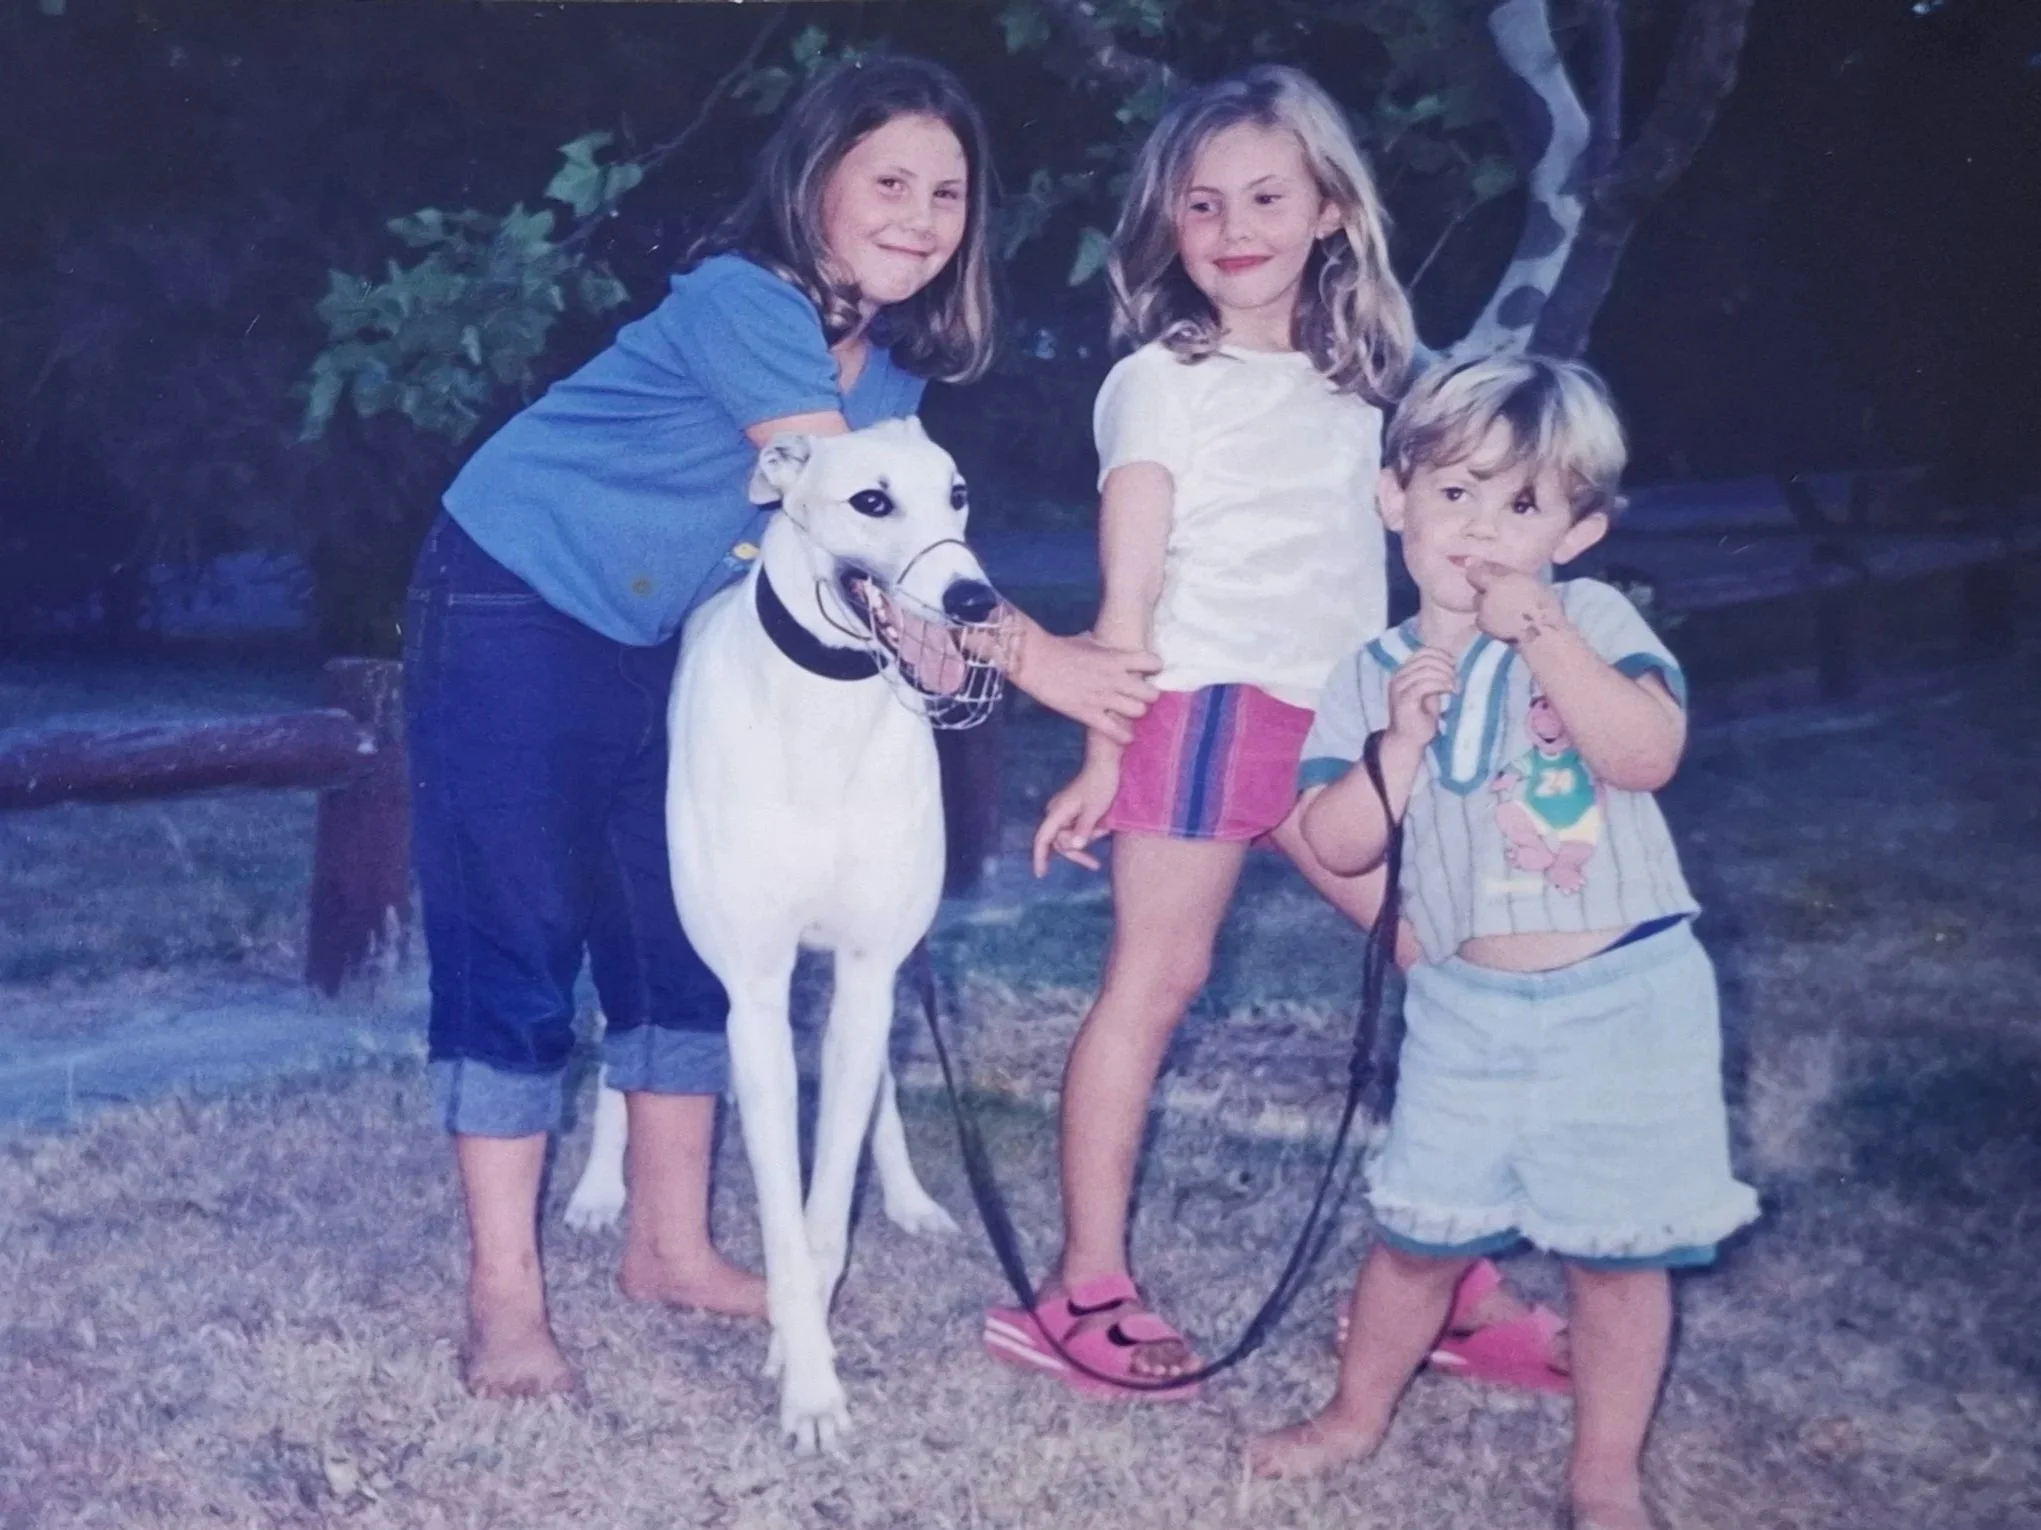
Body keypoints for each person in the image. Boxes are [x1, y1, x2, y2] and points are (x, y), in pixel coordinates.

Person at [404, 55, 1161, 1400]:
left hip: (679, 634)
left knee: (681, 935)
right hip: (520, 586)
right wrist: (1044, 659)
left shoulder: (895, 388)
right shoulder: (745, 304)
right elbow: (841, 497)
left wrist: (949, 649)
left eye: (948, 192)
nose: (923, 215)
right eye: (889, 181)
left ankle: (670, 1249)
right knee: (515, 930)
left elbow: (889, 562)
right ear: (814, 184)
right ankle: (504, 1298)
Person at [979, 64, 1553, 1400]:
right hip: (1200, 708)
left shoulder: (1382, 386)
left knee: (1454, 962)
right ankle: (1083, 1286)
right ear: (1168, 227)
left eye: (1264, 195)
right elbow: (1130, 582)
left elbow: (1433, 554)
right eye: (1200, 203)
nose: (1233, 225)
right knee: (1154, 980)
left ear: (1329, 212)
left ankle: (1444, 1283)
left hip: (1340, 719)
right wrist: (1106, 747)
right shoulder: (1159, 380)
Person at [1244, 354, 1761, 1530]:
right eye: (1457, 492)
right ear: (1396, 502)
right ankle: (1354, 1415)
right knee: (1416, 1234)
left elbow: (1644, 755)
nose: (1481, 529)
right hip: (1466, 1008)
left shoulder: (1593, 619)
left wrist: (1548, 645)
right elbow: (1333, 839)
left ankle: (1602, 1476)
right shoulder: (1366, 675)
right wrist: (1394, 752)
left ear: (1576, 532)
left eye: (1522, 505)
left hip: (1626, 999)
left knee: (1617, 1257)